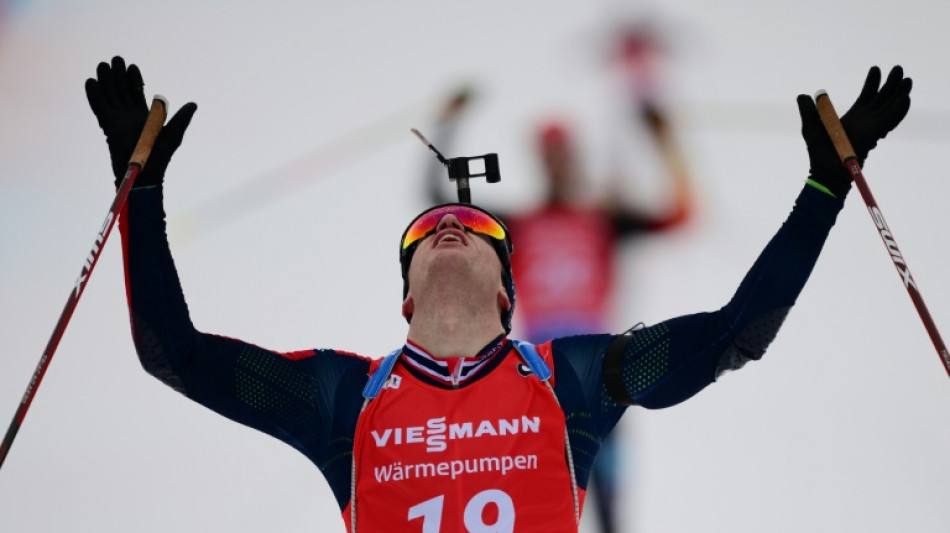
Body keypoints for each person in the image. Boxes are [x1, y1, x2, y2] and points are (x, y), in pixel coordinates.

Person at [87, 55, 911, 532]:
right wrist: (141, 194)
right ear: (403, 297)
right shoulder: (342, 396)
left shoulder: (576, 380)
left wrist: (822, 190)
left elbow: (738, 331)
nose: (448, 228)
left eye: (470, 229)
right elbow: (174, 353)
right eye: (424, 234)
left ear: (507, 291)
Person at [421, 35, 692, 533]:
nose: (557, 163)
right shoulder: (519, 226)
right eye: (549, 154)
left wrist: (666, 140)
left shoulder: (603, 220)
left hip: (597, 358)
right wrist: (446, 122)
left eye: (563, 153)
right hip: (537, 363)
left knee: (605, 490)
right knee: (540, 493)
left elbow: (680, 214)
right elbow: (440, 208)